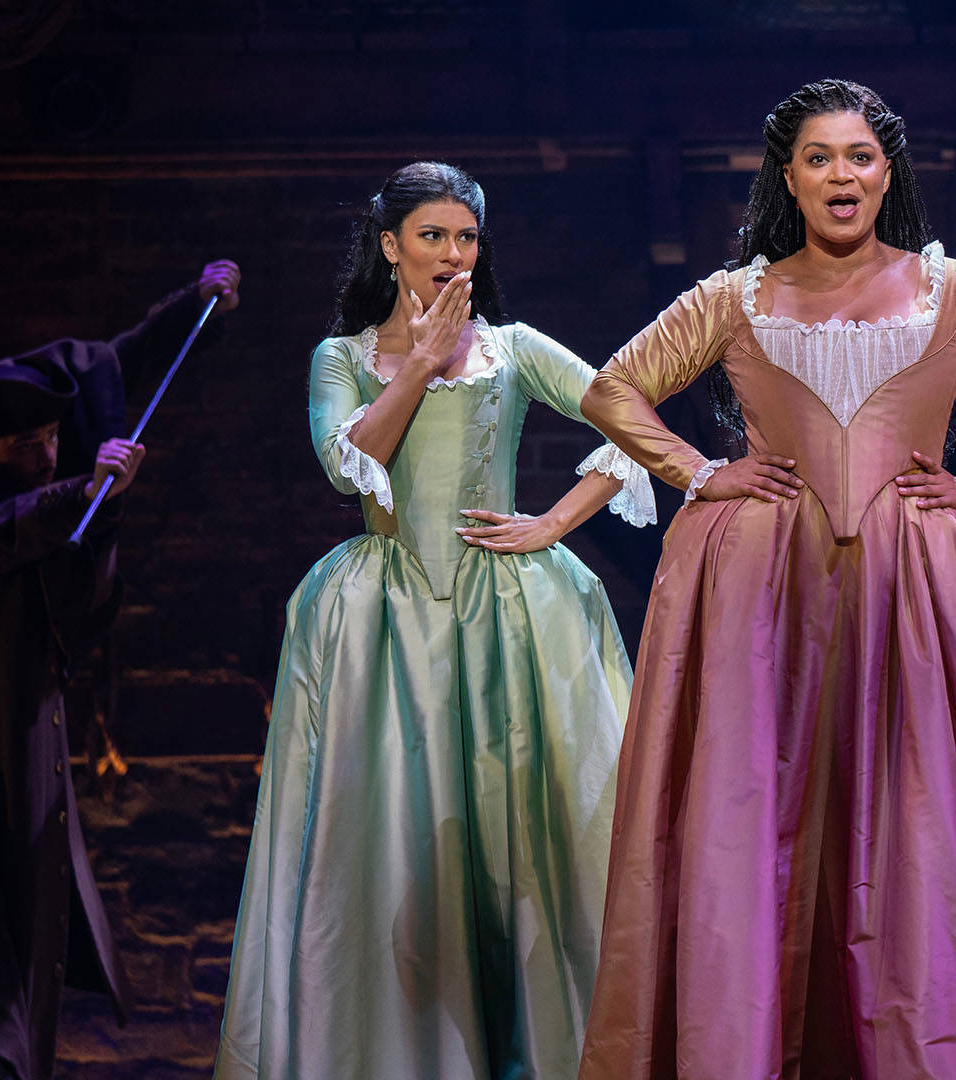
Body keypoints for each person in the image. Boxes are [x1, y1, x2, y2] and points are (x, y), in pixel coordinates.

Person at [575, 79, 956, 1078]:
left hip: (916, 587)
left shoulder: (955, 290)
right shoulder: (737, 296)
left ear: (888, 171)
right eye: (819, 158)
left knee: (922, 817)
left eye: (859, 156)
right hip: (770, 591)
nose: (841, 176)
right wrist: (700, 473)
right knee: (763, 816)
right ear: (787, 176)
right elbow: (612, 387)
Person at [214, 162, 649, 1079]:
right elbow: (348, 468)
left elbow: (627, 419)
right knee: (388, 838)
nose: (453, 255)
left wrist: (552, 522)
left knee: (521, 835)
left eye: (466, 237)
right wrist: (415, 361)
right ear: (390, 245)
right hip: (383, 622)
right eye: (432, 237)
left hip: (510, 615)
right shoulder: (340, 358)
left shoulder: (515, 348)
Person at [0, 261, 241, 1080]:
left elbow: (117, 364)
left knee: (30, 910)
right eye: (27, 446)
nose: (46, 454)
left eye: (52, 439)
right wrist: (83, 491)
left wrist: (195, 305)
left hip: (18, 728)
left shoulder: (46, 410)